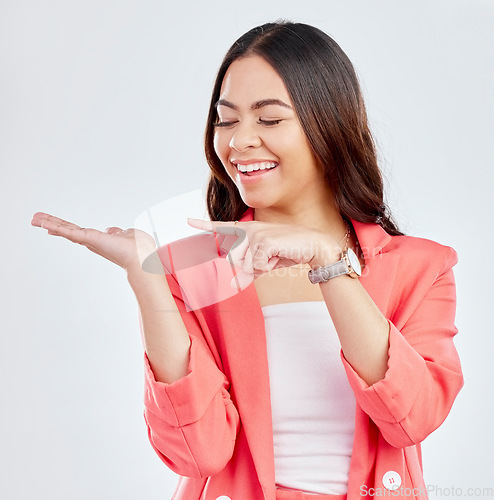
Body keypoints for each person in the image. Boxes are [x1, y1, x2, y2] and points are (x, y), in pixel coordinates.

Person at [31, 21, 463, 500]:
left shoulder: (423, 268)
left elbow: (413, 419)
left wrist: (328, 262)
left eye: (270, 119)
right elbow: (199, 453)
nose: (239, 142)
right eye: (227, 119)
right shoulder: (189, 269)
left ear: (331, 122)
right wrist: (147, 278)